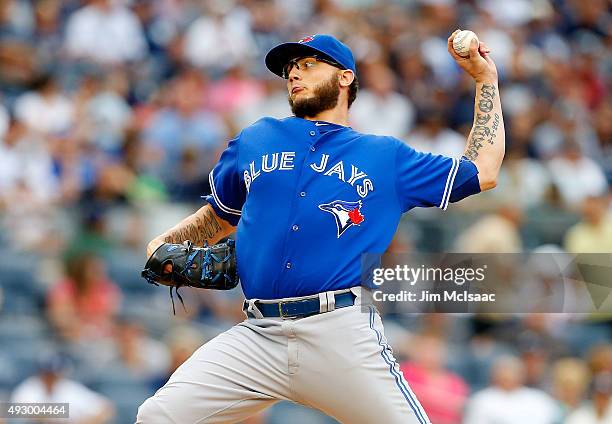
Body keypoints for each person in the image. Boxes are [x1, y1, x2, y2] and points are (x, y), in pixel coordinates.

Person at [137, 32, 505, 423]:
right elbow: (220, 216)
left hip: (339, 332)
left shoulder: (385, 156)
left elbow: (483, 171)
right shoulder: (256, 139)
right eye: (290, 69)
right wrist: (163, 242)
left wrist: (486, 81)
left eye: (308, 64)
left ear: (345, 77)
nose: (295, 73)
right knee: (157, 417)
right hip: (258, 334)